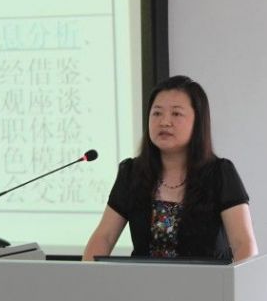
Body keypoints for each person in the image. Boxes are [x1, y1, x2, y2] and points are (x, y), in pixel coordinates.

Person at [83, 76, 257, 262]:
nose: (164, 122)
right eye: (157, 113)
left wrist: (234, 281)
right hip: (142, 280)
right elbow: (104, 237)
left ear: (197, 121)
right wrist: (85, 275)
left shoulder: (219, 174)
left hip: (207, 280)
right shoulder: (132, 173)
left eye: (176, 114)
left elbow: (243, 244)